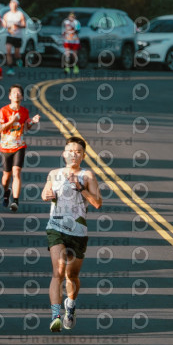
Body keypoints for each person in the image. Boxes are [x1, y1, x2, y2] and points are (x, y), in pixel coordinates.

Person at [41, 137, 102, 332]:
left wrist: (81, 189)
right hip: (55, 227)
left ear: (83, 156)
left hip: (78, 230)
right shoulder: (54, 174)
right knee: (58, 270)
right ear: (64, 154)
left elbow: (97, 203)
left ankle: (70, 306)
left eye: (78, 152)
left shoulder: (87, 176)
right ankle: (55, 316)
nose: (73, 154)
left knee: (72, 275)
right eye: (70, 151)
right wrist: (47, 195)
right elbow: (45, 193)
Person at [0, 84, 40, 212]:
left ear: (22, 97)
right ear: (10, 96)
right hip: (6, 147)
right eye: (14, 93)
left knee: (16, 172)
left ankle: (15, 201)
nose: (16, 94)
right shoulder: (4, 111)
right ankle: (6, 192)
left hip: (19, 146)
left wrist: (32, 121)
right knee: (6, 177)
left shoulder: (24, 111)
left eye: (18, 93)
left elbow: (26, 127)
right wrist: (12, 121)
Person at [2, 0, 26, 76]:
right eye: (12, 4)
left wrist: (17, 25)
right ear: (10, 5)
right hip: (9, 35)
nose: (13, 6)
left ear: (17, 6)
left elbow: (24, 25)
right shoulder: (7, 15)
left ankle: (19, 59)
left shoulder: (20, 14)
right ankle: (10, 68)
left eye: (15, 4)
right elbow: (4, 25)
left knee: (16, 54)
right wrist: (8, 27)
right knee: (8, 51)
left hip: (18, 36)